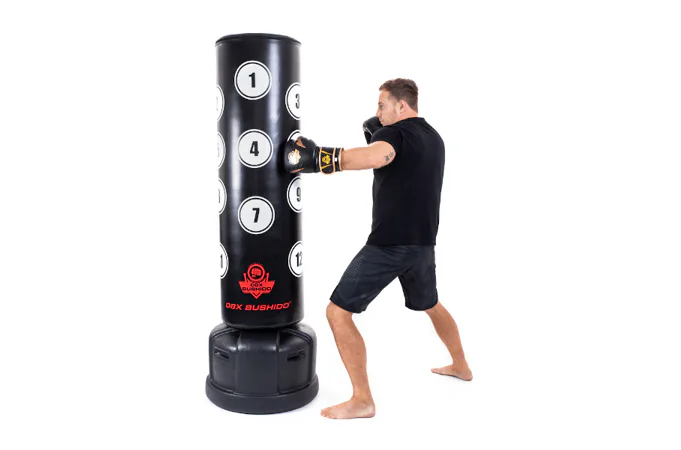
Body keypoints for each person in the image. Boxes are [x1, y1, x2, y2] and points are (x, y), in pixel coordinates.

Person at [283, 78, 472, 420]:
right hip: (422, 246)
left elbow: (375, 156)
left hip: (387, 247)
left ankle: (362, 400)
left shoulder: (394, 135)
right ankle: (461, 366)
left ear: (402, 105)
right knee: (431, 305)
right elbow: (401, 165)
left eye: (382, 105)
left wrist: (319, 159)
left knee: (337, 313)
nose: (378, 113)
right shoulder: (434, 138)